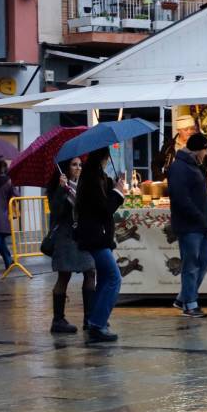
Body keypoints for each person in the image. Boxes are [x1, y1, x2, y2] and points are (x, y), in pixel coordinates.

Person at [74, 146, 126, 343]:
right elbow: (104, 209)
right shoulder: (92, 178)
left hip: (97, 234)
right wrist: (118, 193)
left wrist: (114, 186)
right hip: (95, 235)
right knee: (114, 278)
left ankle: (96, 320)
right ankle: (97, 323)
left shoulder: (95, 176)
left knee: (105, 278)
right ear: (104, 157)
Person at [167, 133, 207, 318]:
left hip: (201, 224)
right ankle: (190, 304)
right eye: (205, 149)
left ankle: (183, 297)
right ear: (197, 150)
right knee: (191, 264)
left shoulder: (196, 165)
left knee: (206, 260)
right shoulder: (179, 167)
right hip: (189, 225)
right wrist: (199, 217)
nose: (206, 153)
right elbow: (180, 198)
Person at [45, 157, 95, 334]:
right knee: (64, 276)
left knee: (90, 271)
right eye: (74, 165)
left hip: (81, 236)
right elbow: (56, 210)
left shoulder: (82, 186)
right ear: (66, 167)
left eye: (80, 165)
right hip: (65, 237)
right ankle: (58, 320)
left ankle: (89, 319)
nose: (78, 168)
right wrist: (61, 189)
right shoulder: (58, 187)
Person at [152, 114, 207, 180]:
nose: (189, 132)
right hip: (174, 184)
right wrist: (162, 178)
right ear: (179, 130)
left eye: (192, 129)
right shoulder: (169, 146)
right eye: (186, 130)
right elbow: (155, 164)